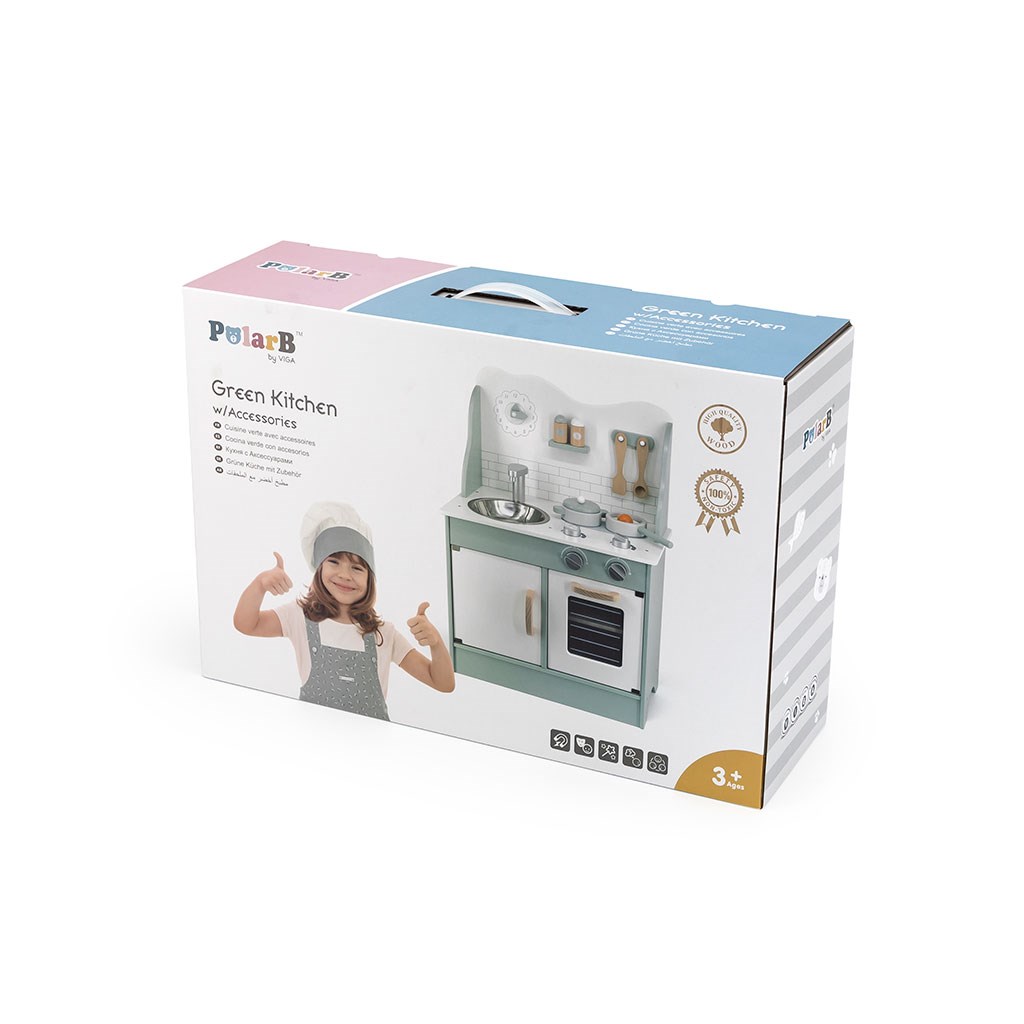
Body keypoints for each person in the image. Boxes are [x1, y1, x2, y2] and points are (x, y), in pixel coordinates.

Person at [233, 501, 454, 720]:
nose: (345, 575)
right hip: (312, 735)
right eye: (334, 562)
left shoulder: (384, 634)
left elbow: (442, 682)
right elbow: (247, 624)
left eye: (357, 567)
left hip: (369, 740)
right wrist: (260, 584)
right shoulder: (298, 617)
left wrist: (435, 642)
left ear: (370, 579)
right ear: (319, 567)